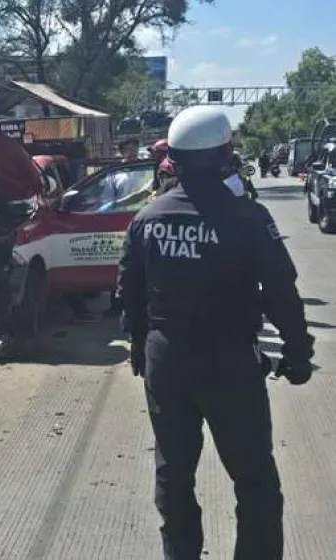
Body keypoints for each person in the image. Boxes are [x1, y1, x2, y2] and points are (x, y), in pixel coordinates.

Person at [117, 106, 314, 560]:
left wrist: (139, 347)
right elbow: (281, 291)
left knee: (174, 475)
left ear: (174, 159)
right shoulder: (248, 217)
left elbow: (129, 292)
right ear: (226, 155)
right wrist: (298, 353)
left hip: (167, 363)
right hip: (229, 364)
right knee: (255, 480)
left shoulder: (148, 218)